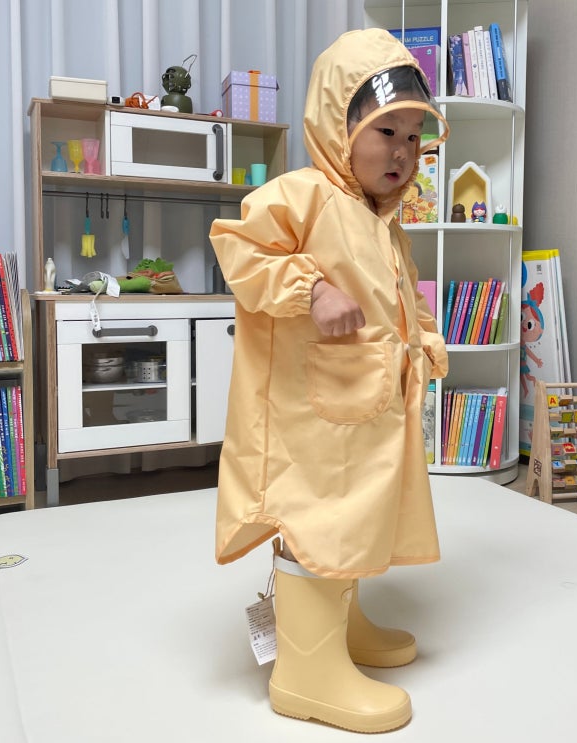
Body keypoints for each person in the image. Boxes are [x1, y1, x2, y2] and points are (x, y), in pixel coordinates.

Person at [209, 28, 449, 733]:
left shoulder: (384, 223)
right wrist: (311, 289)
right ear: (336, 126)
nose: (402, 153)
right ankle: (305, 671)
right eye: (386, 132)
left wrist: (426, 341)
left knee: (357, 514)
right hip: (309, 418)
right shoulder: (305, 195)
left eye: (414, 137)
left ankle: (341, 626)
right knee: (319, 517)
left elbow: (400, 297)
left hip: (363, 409)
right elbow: (240, 249)